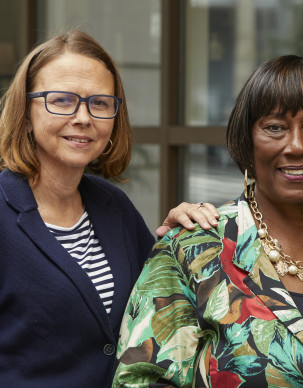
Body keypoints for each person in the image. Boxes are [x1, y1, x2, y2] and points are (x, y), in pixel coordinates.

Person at [113, 55, 303, 387]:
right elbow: (140, 380)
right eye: (275, 127)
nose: (296, 146)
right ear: (248, 143)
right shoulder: (191, 250)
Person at [0, 29, 214, 387]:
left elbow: (156, 305)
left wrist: (174, 237)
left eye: (99, 103)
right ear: (25, 111)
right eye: (62, 100)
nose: (83, 117)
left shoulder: (112, 205)